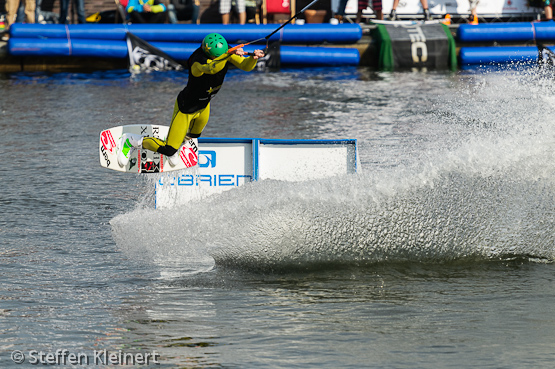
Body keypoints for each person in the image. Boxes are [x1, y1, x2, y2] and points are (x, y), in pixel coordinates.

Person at [117, 33, 265, 167]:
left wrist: (253, 58)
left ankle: (177, 144)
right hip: (186, 108)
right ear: (209, 52)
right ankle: (132, 141)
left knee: (193, 136)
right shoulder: (197, 61)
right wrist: (228, 55)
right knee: (168, 150)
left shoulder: (223, 51)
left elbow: (245, 66)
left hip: (204, 106)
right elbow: (211, 68)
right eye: (220, 55)